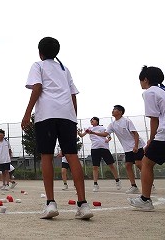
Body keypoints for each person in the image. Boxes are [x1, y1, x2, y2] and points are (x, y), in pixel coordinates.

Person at [22, 37, 93, 219]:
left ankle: (51, 203)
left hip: (46, 114)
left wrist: (27, 113)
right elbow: (73, 96)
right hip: (67, 115)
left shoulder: (38, 65)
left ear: (40, 52)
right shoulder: (64, 69)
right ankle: (83, 204)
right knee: (72, 156)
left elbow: (37, 87)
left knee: (46, 156)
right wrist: (73, 117)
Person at [129, 66, 165, 211]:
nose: (141, 84)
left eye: (141, 80)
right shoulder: (163, 89)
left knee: (146, 162)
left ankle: (145, 199)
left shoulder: (150, 92)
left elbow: (154, 119)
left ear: (146, 79)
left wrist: (151, 139)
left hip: (163, 134)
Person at [87, 105, 146, 194]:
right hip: (127, 148)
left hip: (137, 145)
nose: (113, 111)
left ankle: (149, 182)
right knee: (128, 165)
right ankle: (134, 186)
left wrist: (136, 146)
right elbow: (105, 134)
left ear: (120, 112)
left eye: (115, 109)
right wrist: (93, 132)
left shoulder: (127, 121)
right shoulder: (112, 124)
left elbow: (136, 134)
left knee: (138, 164)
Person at [78, 117, 121, 192]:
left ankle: (117, 180)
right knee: (95, 167)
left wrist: (108, 140)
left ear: (97, 121)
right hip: (95, 149)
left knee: (111, 165)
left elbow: (109, 136)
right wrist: (78, 132)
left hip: (104, 148)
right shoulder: (89, 128)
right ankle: (95, 184)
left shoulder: (102, 128)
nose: (91, 121)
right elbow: (82, 135)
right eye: (90, 120)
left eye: (93, 120)